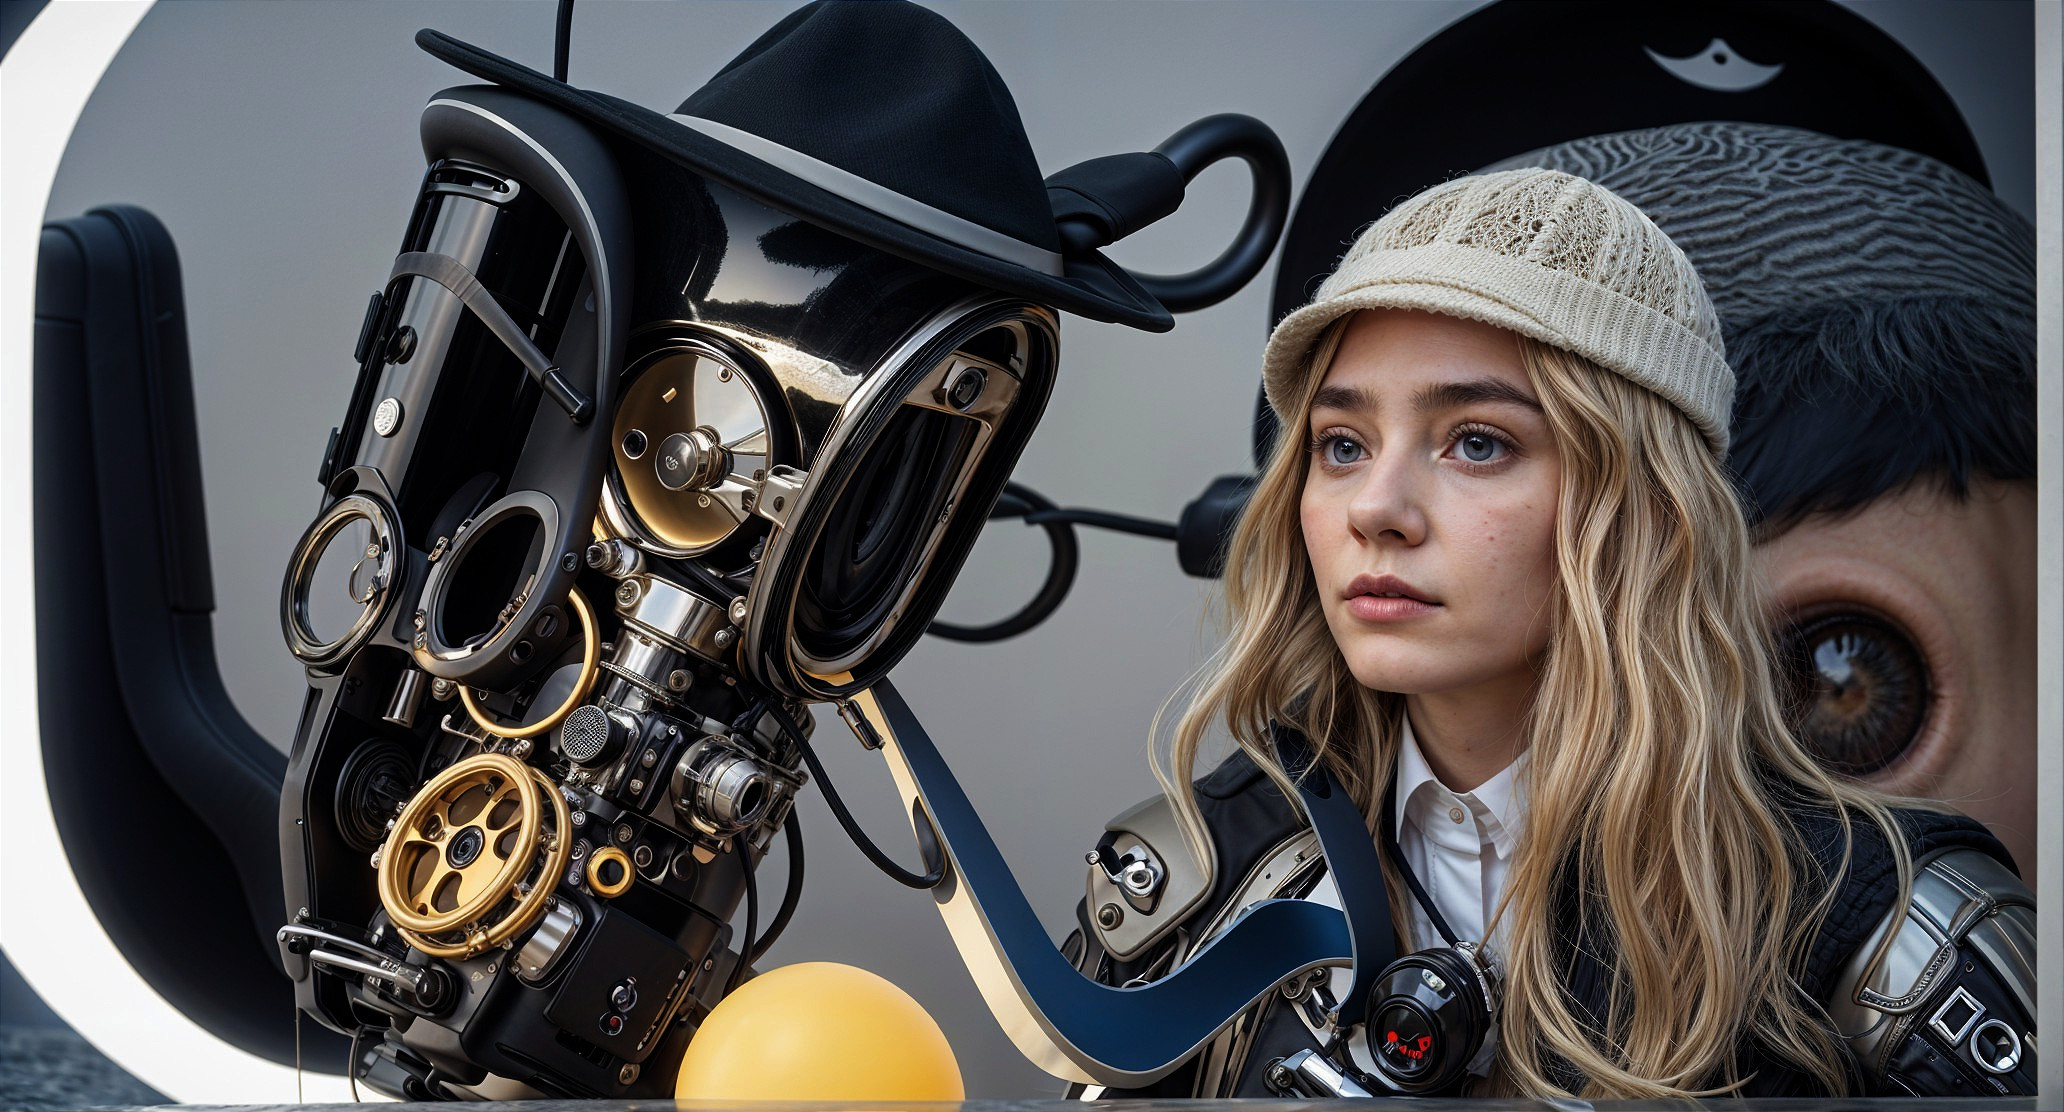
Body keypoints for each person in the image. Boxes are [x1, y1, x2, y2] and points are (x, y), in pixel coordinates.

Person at [1066, 168, 2035, 1099]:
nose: (1378, 508)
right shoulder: (1195, 873)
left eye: (1477, 442)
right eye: (1342, 445)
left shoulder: (1892, 931)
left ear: (1647, 507)